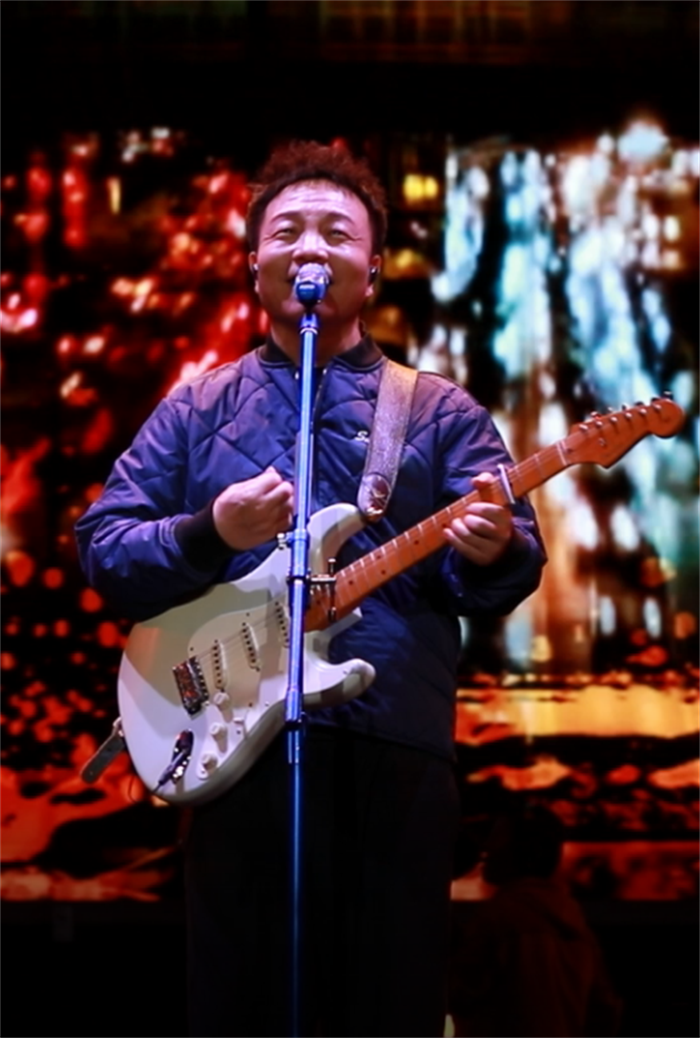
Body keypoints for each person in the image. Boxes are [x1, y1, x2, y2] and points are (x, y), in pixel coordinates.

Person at [76, 141, 546, 1038]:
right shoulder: (196, 408)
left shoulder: (438, 411)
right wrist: (210, 532)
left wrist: (492, 551)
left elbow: (497, 570)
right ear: (254, 263)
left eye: (337, 232)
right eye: (289, 231)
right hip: (231, 749)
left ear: (373, 268)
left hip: (391, 750)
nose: (311, 248)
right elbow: (105, 548)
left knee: (387, 1001)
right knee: (240, 1003)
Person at [450, 807, 622, 1038]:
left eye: (498, 839)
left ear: (518, 850)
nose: (487, 849)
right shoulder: (578, 929)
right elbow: (605, 1010)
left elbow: (457, 993)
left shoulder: (498, 918)